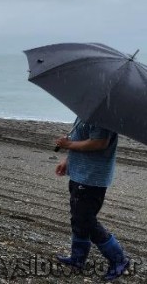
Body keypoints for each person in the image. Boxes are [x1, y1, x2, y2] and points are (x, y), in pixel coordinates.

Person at [54, 118, 130, 281]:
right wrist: (67, 160)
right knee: (78, 218)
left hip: (91, 178)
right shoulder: (87, 112)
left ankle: (119, 260)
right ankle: (77, 259)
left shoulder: (101, 116)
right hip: (80, 173)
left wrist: (67, 145)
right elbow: (80, 138)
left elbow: (99, 142)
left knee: (86, 220)